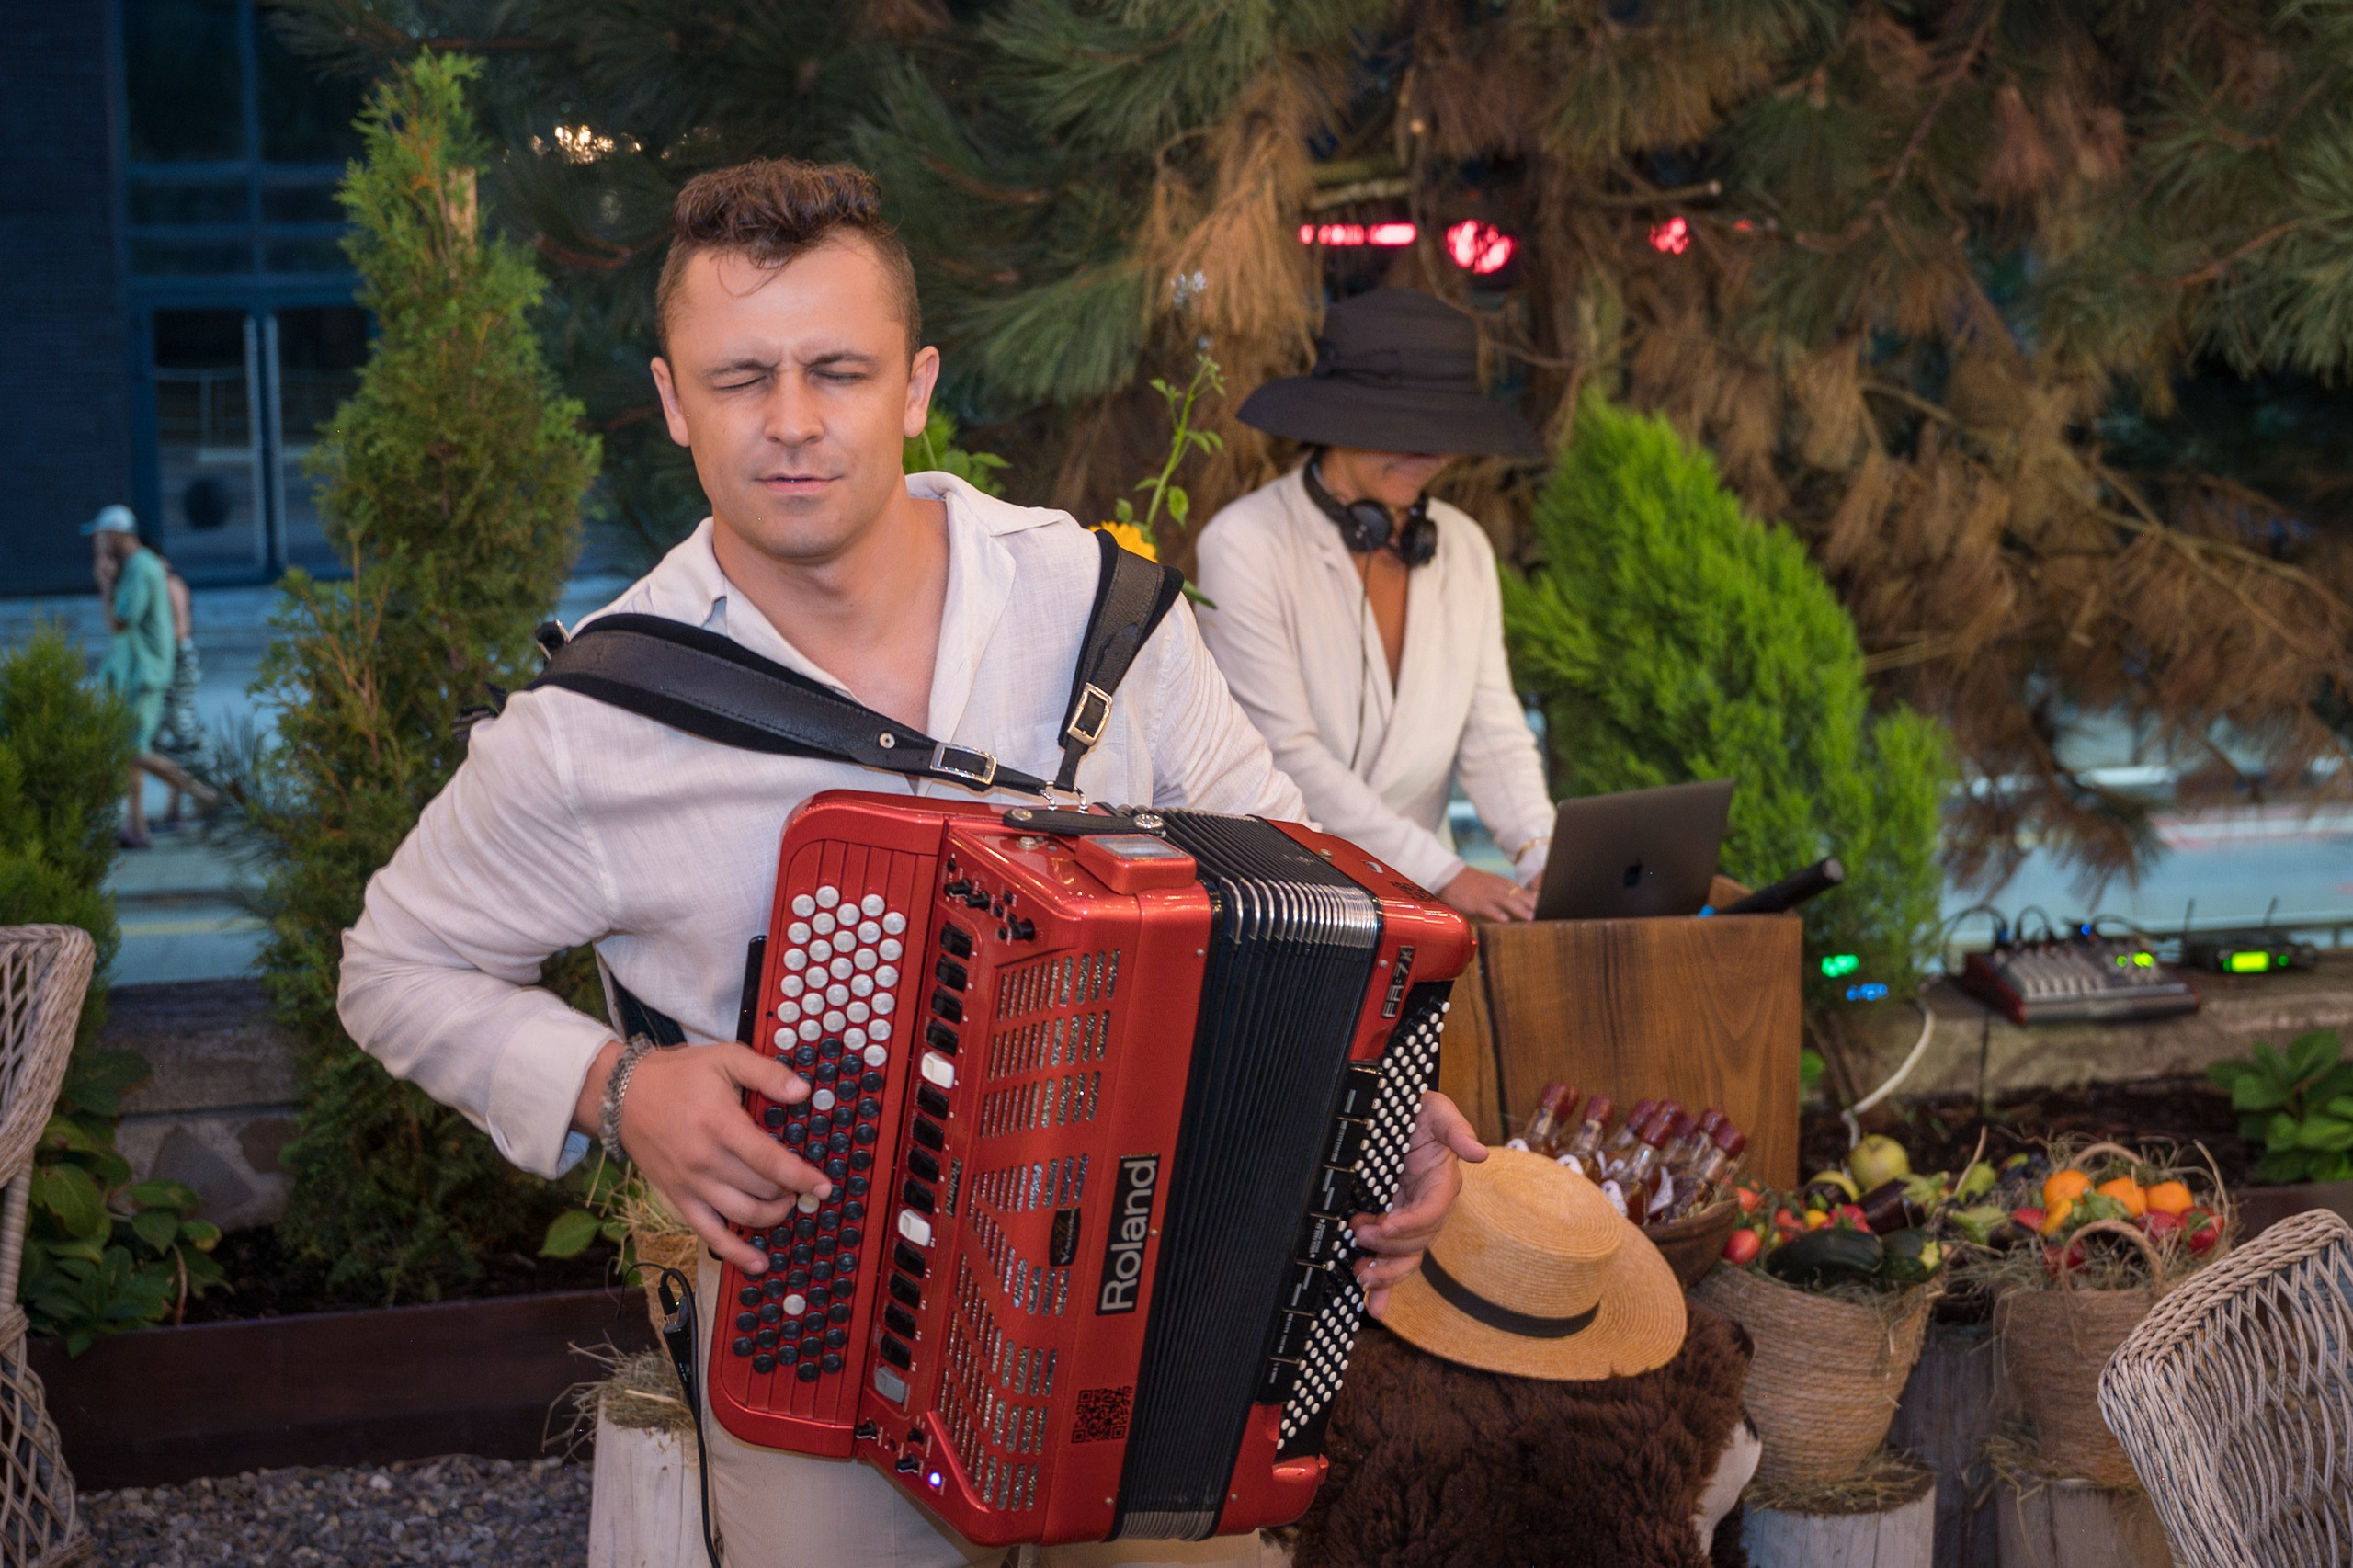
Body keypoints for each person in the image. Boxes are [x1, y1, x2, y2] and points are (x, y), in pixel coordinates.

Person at [335, 157, 1484, 1568]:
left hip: (1153, 1289)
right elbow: (392, 965)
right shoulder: (597, 727)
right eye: (741, 376)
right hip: (819, 1318)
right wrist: (617, 1084)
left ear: (917, 385)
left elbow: (1308, 897)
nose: (795, 421)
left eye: (839, 367)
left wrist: (1386, 1105)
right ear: (673, 401)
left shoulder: (1093, 608)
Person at [1192, 290, 1555, 923]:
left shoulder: (1464, 547)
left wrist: (1540, 852)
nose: (1431, 456)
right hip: (1284, 899)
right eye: (1405, 433)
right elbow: (1283, 754)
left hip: (1418, 910)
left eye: (1445, 436)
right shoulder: (1244, 544)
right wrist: (1442, 874)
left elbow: (1493, 730)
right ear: (1335, 421)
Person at [86, 506, 176, 848]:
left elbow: (119, 622)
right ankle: (136, 826)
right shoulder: (139, 566)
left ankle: (203, 791)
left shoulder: (140, 569)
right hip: (137, 673)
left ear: (117, 535)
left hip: (145, 673)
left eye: (101, 537)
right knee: (131, 753)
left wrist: (105, 583)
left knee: (135, 750)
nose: (98, 544)